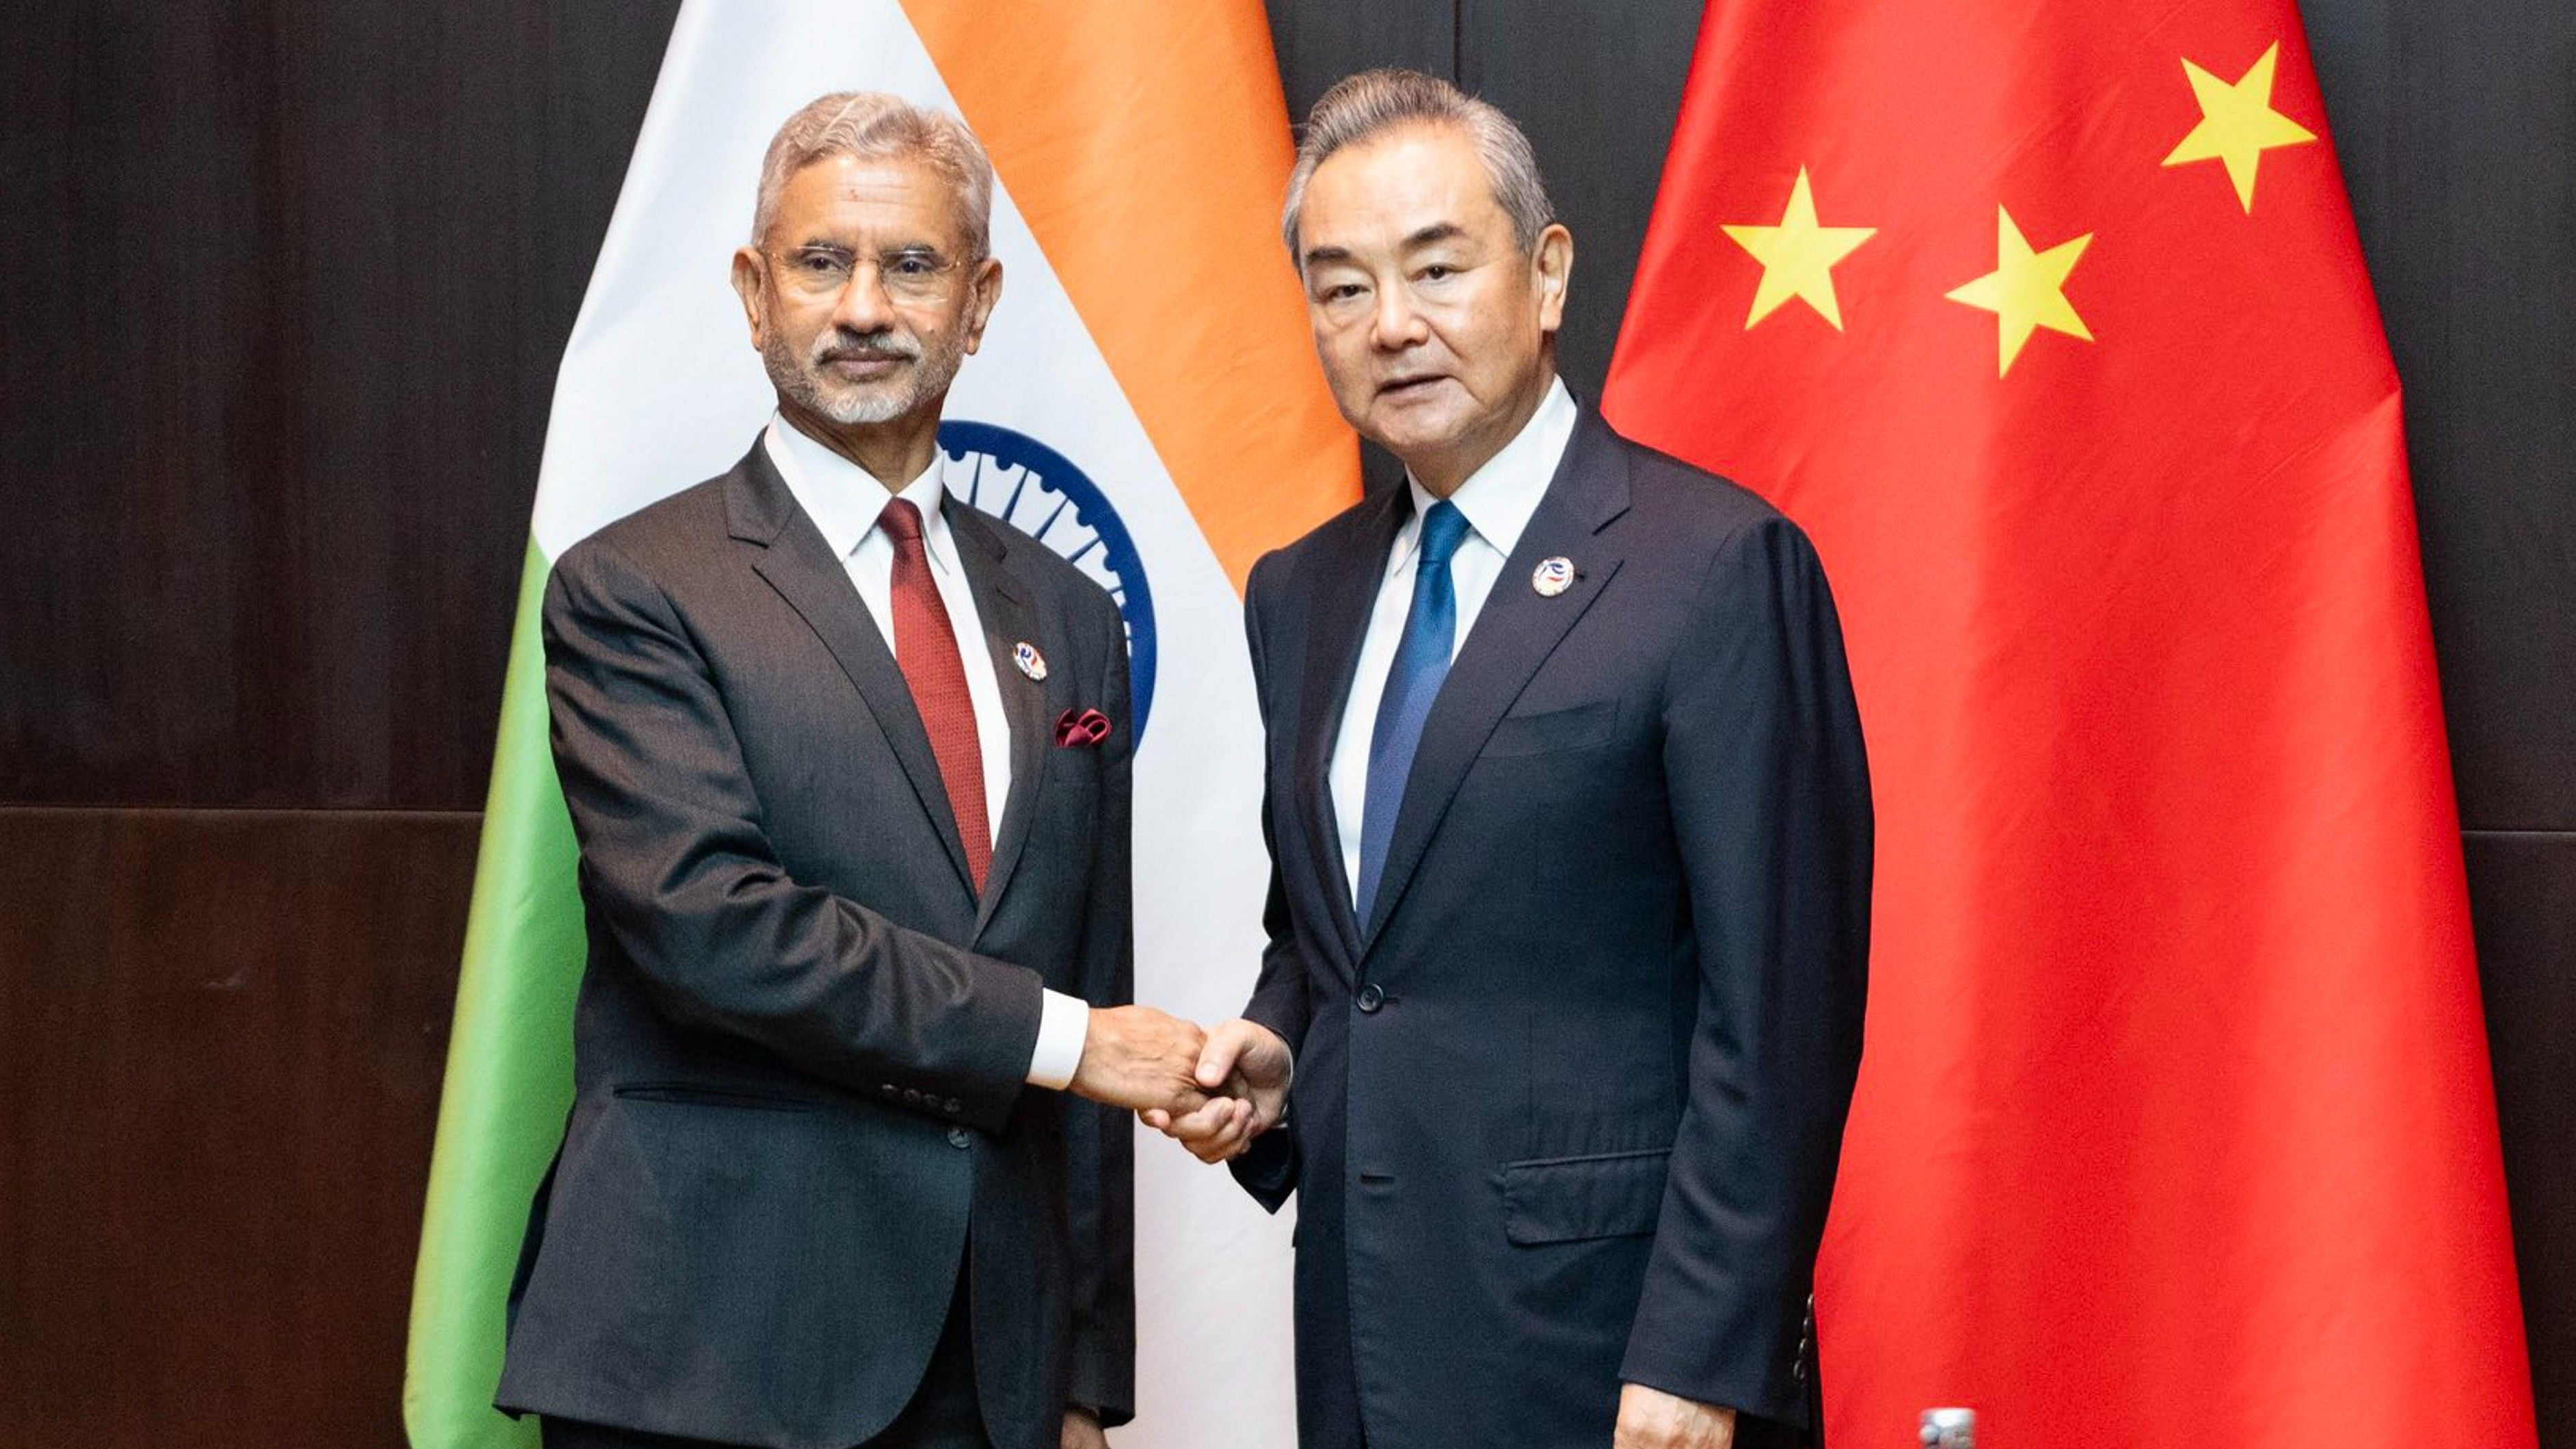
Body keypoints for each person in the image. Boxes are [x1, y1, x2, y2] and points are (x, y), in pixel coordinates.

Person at [1149, 70, 1873, 1449]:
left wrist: (1704, 1356)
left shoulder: (1713, 567)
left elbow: (1779, 1011)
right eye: (1342, 287)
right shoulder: (1299, 595)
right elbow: (1333, 932)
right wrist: (1276, 1050)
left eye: (1435, 267)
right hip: (1364, 1336)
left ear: (1545, 276)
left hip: (1619, 1361)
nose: (1393, 325)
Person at [496, 92, 1211, 1449]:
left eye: (914, 266)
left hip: (990, 1360)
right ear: (754, 293)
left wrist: (1084, 1374)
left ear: (981, 300)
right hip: (715, 1351)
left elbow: (1088, 962)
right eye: (823, 262)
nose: (866, 306)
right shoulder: (635, 589)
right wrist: (1061, 1040)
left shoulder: (1066, 612)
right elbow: (715, 930)